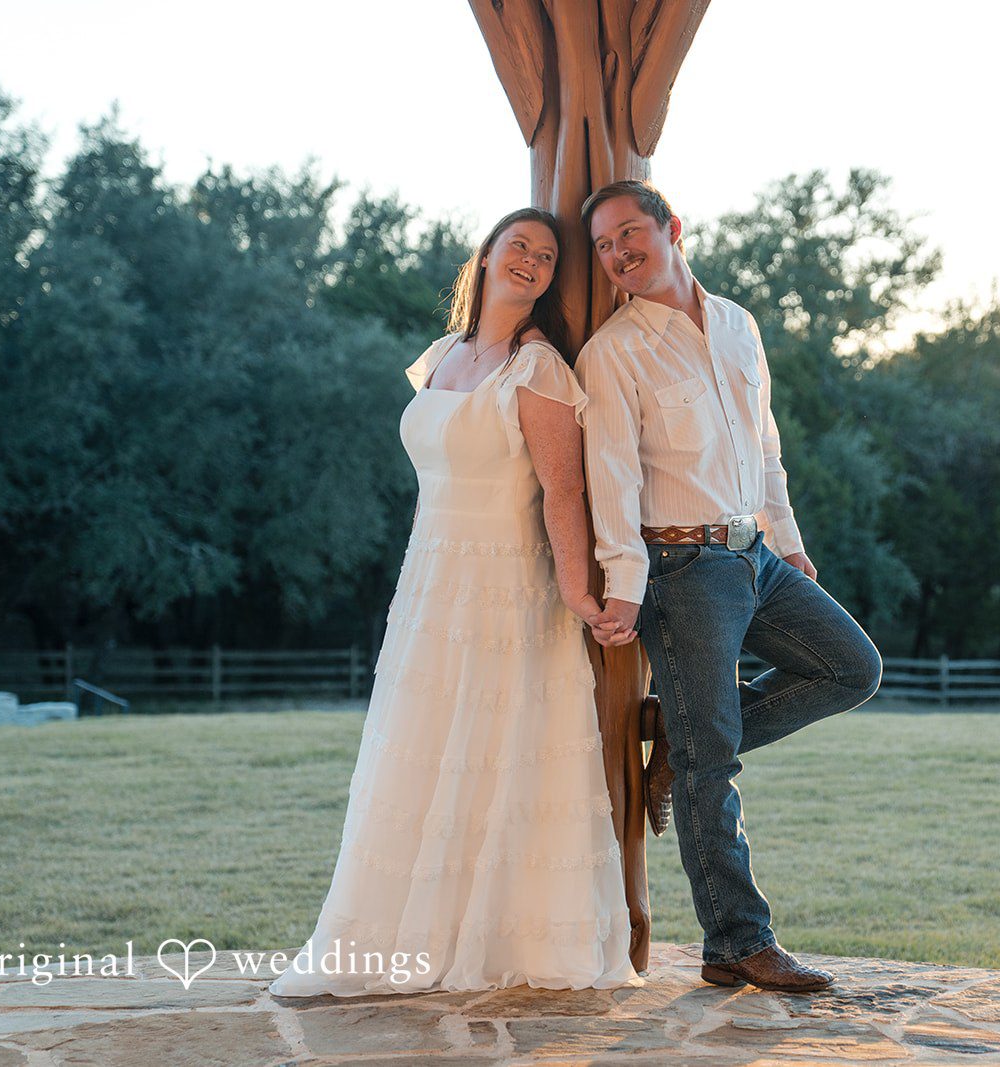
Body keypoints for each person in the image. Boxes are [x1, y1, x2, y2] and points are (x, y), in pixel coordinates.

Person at [270, 208, 637, 996]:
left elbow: (563, 491)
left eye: (545, 256)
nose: (532, 262)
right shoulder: (442, 355)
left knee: (495, 746)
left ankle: (503, 934)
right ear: (487, 256)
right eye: (519, 247)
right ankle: (406, 928)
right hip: (430, 579)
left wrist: (577, 590)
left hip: (504, 584)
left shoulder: (538, 369)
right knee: (424, 744)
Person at [574, 179, 885, 994]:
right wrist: (627, 584)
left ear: (672, 227)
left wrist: (789, 540)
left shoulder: (739, 325)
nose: (618, 254)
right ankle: (736, 942)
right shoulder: (612, 354)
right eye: (604, 245)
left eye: (630, 233)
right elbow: (610, 477)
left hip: (758, 555)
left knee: (853, 668)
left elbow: (766, 444)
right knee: (717, 766)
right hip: (680, 571)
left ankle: (684, 737)